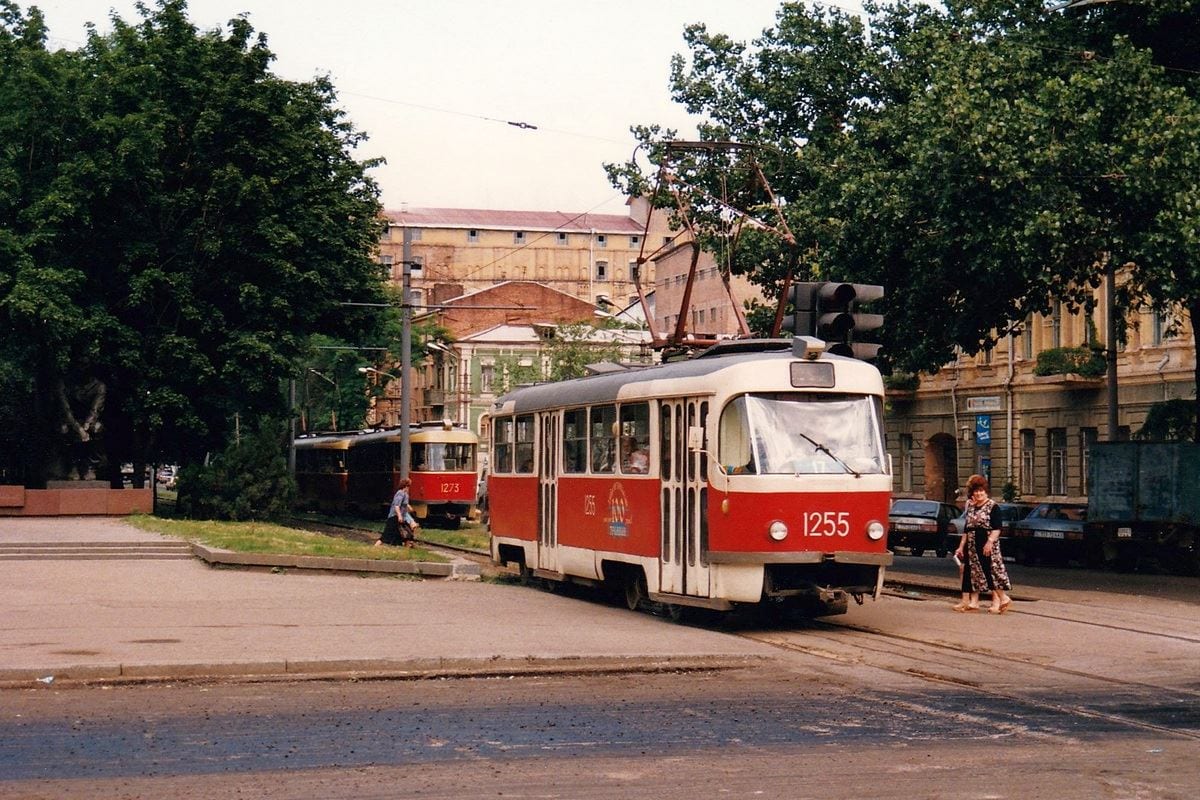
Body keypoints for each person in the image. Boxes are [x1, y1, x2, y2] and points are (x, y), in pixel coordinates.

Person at [952, 474, 1014, 614]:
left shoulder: (993, 506)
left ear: (986, 491)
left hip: (987, 542)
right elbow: (967, 528)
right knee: (976, 573)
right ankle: (986, 600)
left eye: (981, 491)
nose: (979, 493)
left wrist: (989, 542)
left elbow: (997, 528)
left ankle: (1002, 598)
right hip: (973, 544)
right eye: (976, 491)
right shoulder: (972, 506)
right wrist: (961, 546)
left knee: (991, 570)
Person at [377, 478, 418, 547]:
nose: (409, 488)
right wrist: (399, 516)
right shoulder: (400, 493)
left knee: (406, 534)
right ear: (405, 486)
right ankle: (376, 546)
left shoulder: (405, 494)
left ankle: (407, 547)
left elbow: (404, 504)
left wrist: (409, 507)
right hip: (394, 517)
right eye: (408, 486)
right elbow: (396, 506)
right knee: (386, 535)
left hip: (401, 517)